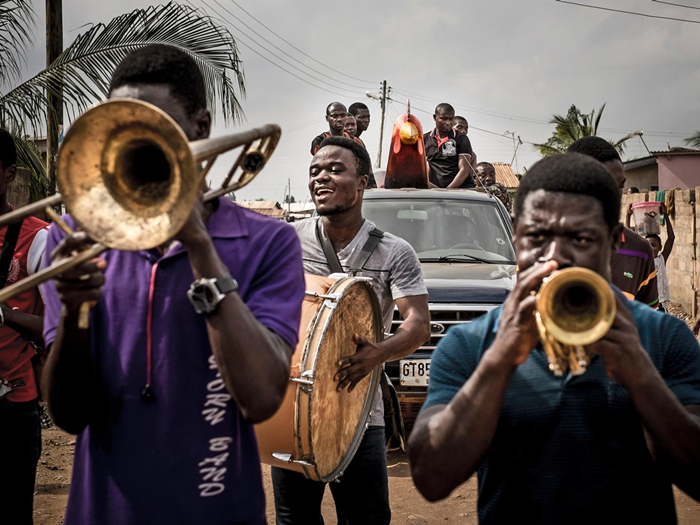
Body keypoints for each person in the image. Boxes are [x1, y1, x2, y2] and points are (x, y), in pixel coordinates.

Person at [40, 45, 305, 525]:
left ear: (200, 129)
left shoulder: (271, 241)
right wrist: (74, 312)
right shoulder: (80, 244)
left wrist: (202, 249)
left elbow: (261, 398)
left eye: (158, 131)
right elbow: (69, 415)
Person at [409, 153, 700, 525]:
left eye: (580, 238)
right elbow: (431, 479)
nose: (556, 256)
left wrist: (641, 376)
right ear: (515, 237)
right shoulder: (469, 345)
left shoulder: (664, 336)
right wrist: (498, 360)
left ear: (612, 242)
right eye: (537, 238)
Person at [272, 136, 430, 525]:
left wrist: (377, 353)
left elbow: (419, 324)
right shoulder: (287, 240)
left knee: (366, 518)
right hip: (292, 411)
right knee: (295, 519)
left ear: (362, 184)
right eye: (314, 171)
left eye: (335, 169)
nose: (321, 178)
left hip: (360, 414)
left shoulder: (395, 251)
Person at [0, 129, 48, 525]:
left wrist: (6, 315)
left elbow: (64, 327)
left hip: (11, 406)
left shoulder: (35, 237)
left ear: (8, 173)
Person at [568, 137, 659, 308]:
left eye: (620, 187)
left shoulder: (640, 251)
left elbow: (649, 324)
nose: (615, 196)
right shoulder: (543, 249)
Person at [424, 103, 475, 189]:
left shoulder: (461, 139)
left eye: (451, 119)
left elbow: (464, 170)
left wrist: (448, 190)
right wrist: (434, 189)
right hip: (435, 190)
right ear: (435, 117)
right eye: (443, 118)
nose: (448, 123)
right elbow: (420, 169)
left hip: (461, 190)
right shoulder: (424, 139)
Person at [635, 204, 674, 313]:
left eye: (653, 245)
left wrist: (666, 215)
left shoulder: (661, 259)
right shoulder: (642, 261)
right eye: (648, 245)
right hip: (645, 304)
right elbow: (631, 239)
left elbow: (671, 238)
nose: (650, 248)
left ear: (660, 247)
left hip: (660, 303)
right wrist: (629, 216)